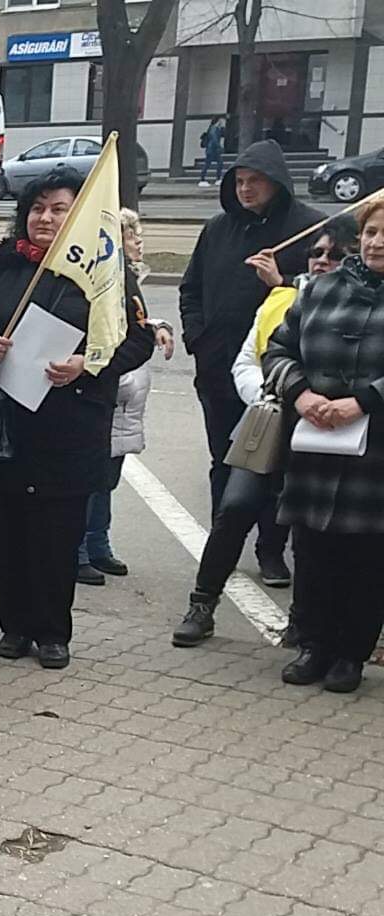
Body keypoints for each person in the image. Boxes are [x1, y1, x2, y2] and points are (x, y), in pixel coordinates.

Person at [0, 167, 155, 671]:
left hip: (71, 426)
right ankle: (14, 626)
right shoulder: (3, 268)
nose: (45, 218)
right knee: (10, 536)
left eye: (59, 209)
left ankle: (52, 632)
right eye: (37, 208)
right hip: (8, 427)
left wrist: (89, 362)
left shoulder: (106, 275)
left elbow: (139, 339)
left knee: (58, 538)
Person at [172, 219, 354, 647]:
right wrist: (275, 394)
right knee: (234, 507)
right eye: (317, 253)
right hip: (270, 421)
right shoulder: (282, 300)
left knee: (309, 529)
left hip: (331, 432)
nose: (323, 261)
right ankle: (202, 604)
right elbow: (248, 360)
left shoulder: (361, 306)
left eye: (335, 255)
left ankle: (302, 622)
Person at [179, 140, 324, 590]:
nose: (245, 189)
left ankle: (270, 550)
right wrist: (198, 338)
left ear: (277, 183)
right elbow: (190, 289)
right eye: (239, 181)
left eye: (255, 181)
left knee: (274, 467)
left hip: (278, 375)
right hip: (217, 370)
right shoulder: (218, 229)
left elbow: (332, 290)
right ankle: (222, 541)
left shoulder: (310, 228)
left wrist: (282, 281)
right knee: (224, 459)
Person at [268, 198, 384, 693]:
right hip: (316, 447)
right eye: (372, 232)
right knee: (313, 553)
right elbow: (277, 349)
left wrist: (365, 401)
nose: (377, 243)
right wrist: (301, 393)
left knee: (368, 560)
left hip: (375, 457)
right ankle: (313, 645)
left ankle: (351, 655)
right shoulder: (318, 289)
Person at [79, 208, 169, 587]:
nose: (139, 243)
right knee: (91, 476)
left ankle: (98, 544)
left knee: (108, 477)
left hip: (126, 394)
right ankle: (79, 550)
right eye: (133, 237)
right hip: (108, 388)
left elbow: (138, 320)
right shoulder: (103, 276)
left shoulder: (130, 277)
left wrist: (158, 326)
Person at [199, 116, 227, 188]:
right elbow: (214, 139)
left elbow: (223, 134)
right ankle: (204, 179)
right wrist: (219, 147)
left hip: (212, 149)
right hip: (212, 149)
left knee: (215, 163)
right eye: (221, 121)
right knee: (210, 164)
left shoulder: (215, 128)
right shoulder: (214, 128)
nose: (223, 122)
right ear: (218, 121)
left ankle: (215, 179)